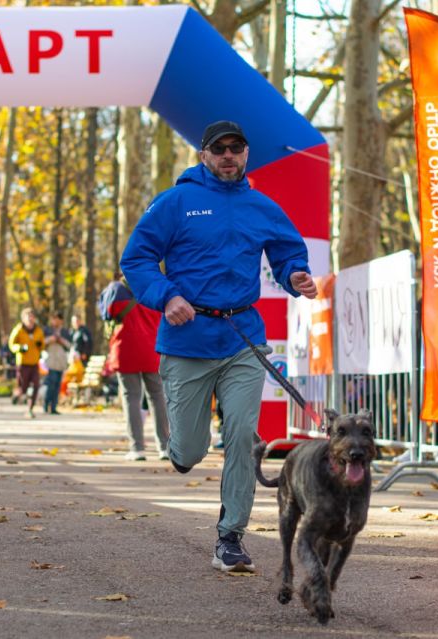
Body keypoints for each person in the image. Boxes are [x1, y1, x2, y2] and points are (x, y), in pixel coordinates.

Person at [120, 120, 318, 573]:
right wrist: (166, 296)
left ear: (246, 153)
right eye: (219, 148)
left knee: (242, 435)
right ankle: (182, 449)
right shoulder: (176, 202)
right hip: (187, 338)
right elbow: (136, 258)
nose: (228, 155)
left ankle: (230, 538)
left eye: (236, 148)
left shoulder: (262, 206)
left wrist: (295, 275)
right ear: (204, 155)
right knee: (190, 450)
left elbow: (288, 253)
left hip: (241, 338)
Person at [98, 277, 169, 462]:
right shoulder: (155, 287)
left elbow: (106, 313)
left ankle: (137, 448)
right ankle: (165, 447)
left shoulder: (116, 290)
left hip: (126, 350)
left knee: (131, 398)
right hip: (152, 350)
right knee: (158, 397)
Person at [8, 308, 44, 418]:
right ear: (23, 319)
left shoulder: (38, 331)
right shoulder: (18, 330)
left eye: (32, 317)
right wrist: (19, 348)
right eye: (28, 317)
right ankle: (16, 394)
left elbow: (42, 344)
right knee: (23, 388)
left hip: (34, 363)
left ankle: (30, 409)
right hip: (23, 363)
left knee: (36, 385)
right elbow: (11, 344)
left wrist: (40, 345)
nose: (30, 319)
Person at [41, 312, 71, 415]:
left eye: (58, 319)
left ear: (61, 320)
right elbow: (41, 343)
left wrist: (61, 340)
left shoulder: (65, 332)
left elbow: (69, 345)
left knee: (57, 385)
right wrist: (51, 339)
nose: (55, 321)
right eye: (54, 319)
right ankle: (46, 404)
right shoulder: (47, 331)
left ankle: (54, 406)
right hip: (50, 361)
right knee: (51, 383)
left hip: (61, 361)